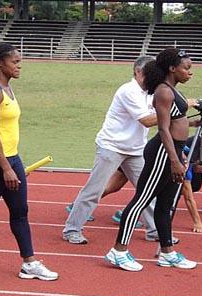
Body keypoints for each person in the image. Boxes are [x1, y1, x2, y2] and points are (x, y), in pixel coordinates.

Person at [0, 43, 58, 284]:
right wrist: (5, 168)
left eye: (19, 61)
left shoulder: (5, 88)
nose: (19, 65)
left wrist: (11, 163)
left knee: (20, 213)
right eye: (15, 62)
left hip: (11, 158)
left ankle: (29, 264)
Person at [105, 48, 199, 272]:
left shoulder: (172, 90)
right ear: (172, 68)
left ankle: (167, 253)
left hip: (173, 150)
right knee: (141, 200)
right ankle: (118, 251)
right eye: (186, 68)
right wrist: (175, 160)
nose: (190, 73)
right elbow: (164, 129)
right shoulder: (163, 92)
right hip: (163, 153)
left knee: (164, 205)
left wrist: (194, 126)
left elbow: (177, 121)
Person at [62, 55, 170, 245]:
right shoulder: (128, 90)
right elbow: (146, 120)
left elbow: (160, 115)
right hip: (111, 147)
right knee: (94, 190)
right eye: (152, 72)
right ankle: (72, 230)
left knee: (147, 190)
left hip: (136, 149)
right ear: (138, 71)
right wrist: (175, 110)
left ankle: (154, 230)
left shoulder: (150, 92)